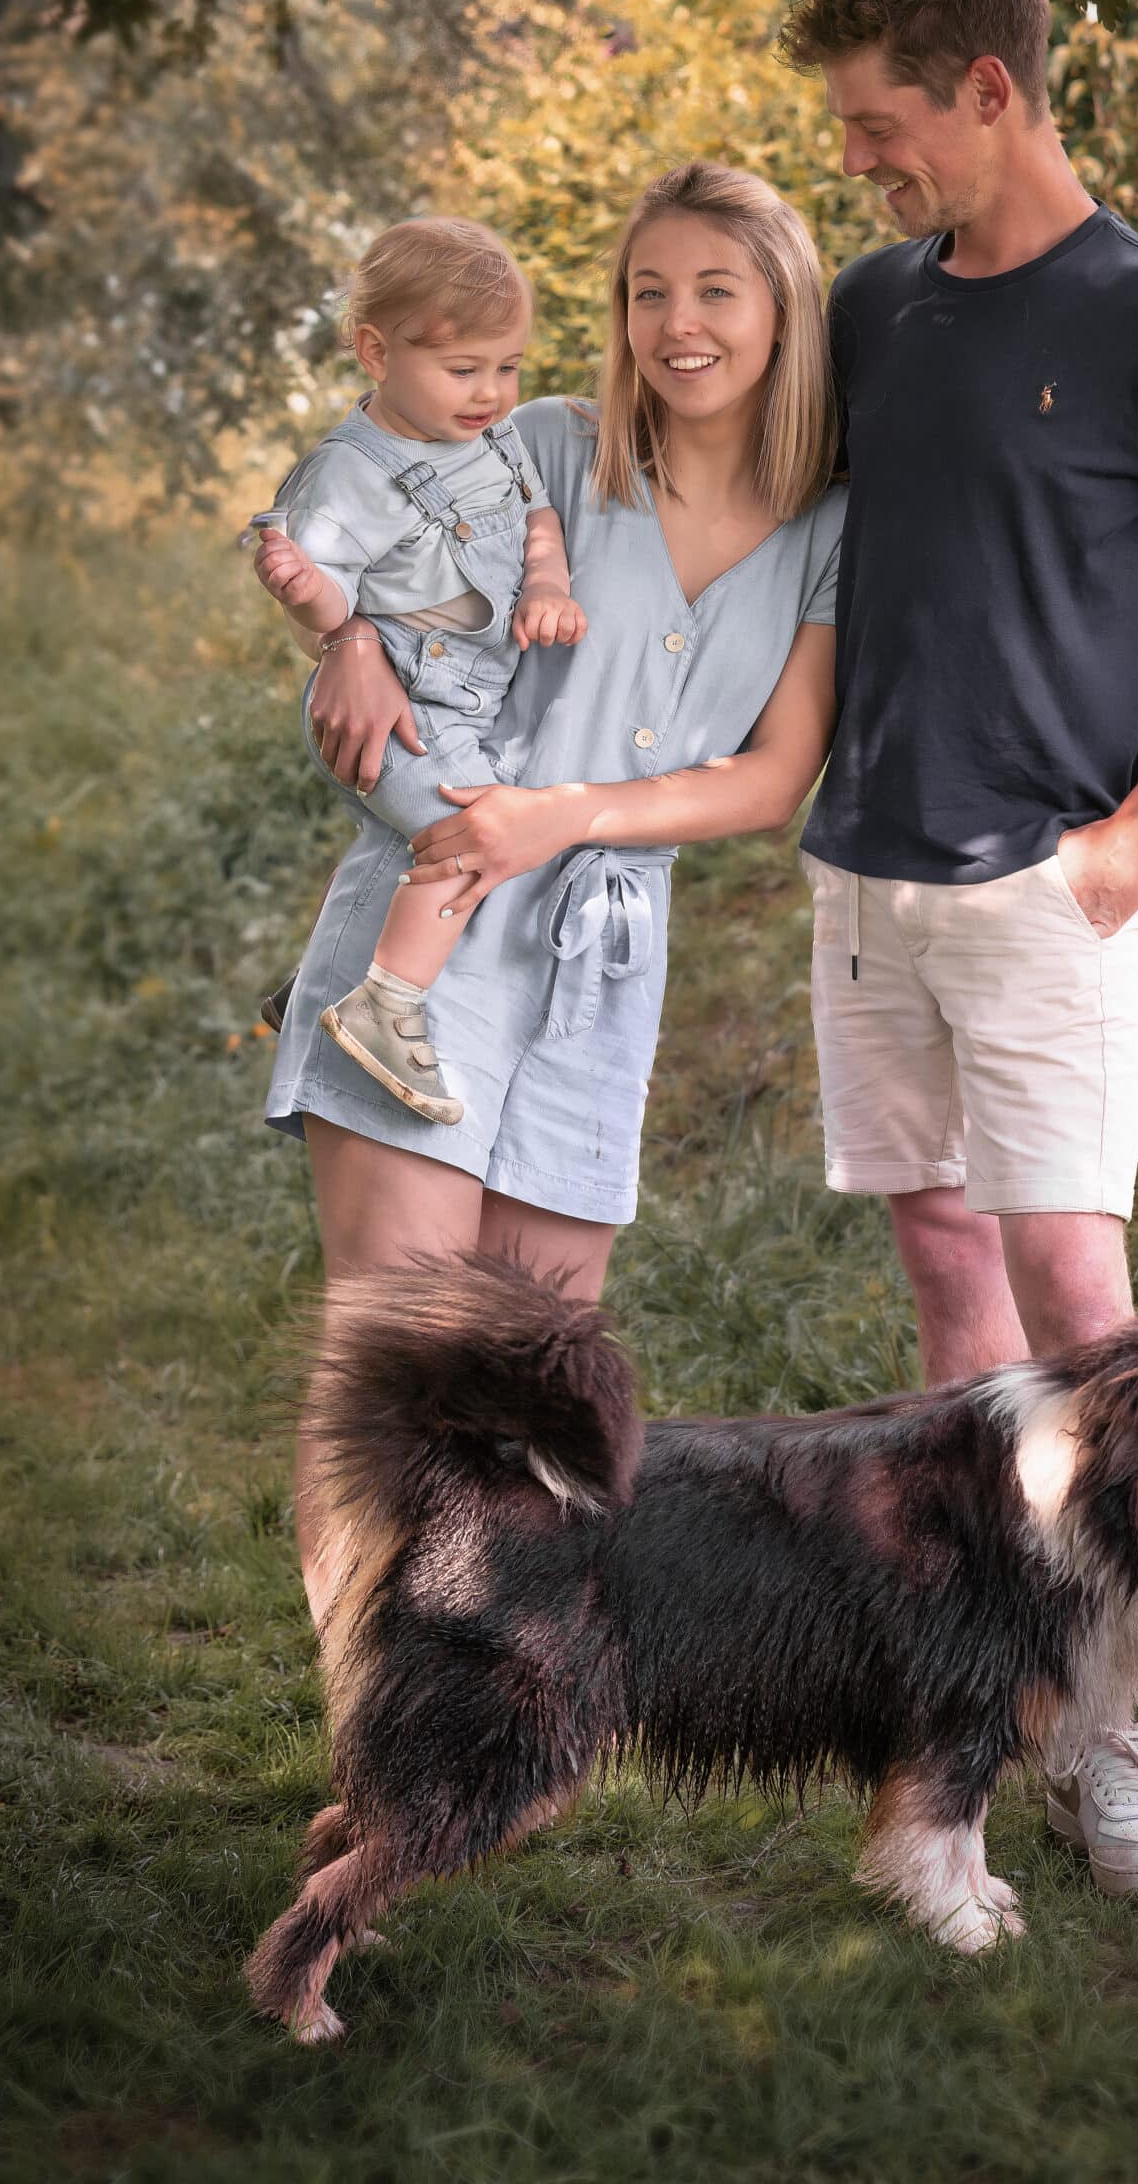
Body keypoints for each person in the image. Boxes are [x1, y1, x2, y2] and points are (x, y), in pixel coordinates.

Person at [777, 0, 1138, 1899]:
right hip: (863, 874)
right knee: (949, 1308)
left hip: (1047, 898)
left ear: (987, 92)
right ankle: (980, 1718)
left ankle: (1110, 1739)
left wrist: (1132, 839)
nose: (856, 157)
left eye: (876, 122)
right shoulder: (871, 306)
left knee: (1093, 1335)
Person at [264, 162, 844, 1627]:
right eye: (647, 291)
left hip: (602, 964)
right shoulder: (540, 450)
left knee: (533, 1373)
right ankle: (366, 1730)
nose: (675, 322)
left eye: (714, 288)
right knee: (395, 1366)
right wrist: (350, 649)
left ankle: (476, 1704)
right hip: (439, 918)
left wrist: (571, 817)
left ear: (781, 307)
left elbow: (773, 775)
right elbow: (360, 552)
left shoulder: (828, 519)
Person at [249, 217, 585, 1123]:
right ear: (375, 351)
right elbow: (333, 609)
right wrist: (304, 593)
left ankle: (323, 982)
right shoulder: (350, 474)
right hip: (395, 712)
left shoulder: (497, 439)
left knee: (449, 838)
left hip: (465, 708)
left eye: (507, 366)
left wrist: (546, 583)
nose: (490, 392)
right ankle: (383, 1002)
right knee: (477, 837)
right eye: (462, 368)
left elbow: (536, 514)